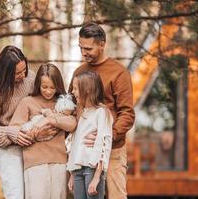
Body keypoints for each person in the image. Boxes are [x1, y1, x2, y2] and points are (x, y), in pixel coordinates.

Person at [69, 22, 135, 199]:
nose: (84, 53)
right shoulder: (79, 72)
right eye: (81, 48)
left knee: (116, 196)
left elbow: (127, 114)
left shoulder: (119, 73)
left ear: (102, 44)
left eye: (88, 48)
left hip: (113, 150)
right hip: (83, 152)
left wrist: (107, 136)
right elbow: (72, 107)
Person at [9, 63, 77, 199]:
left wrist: (49, 119)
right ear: (38, 85)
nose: (48, 91)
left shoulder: (63, 104)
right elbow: (15, 132)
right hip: (35, 164)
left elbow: (72, 124)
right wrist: (36, 134)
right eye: (44, 87)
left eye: (53, 87)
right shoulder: (27, 102)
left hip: (59, 162)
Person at [0, 45, 36, 199]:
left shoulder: (31, 78)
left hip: (35, 147)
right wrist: (11, 132)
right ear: (6, 73)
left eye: (24, 69)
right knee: (15, 195)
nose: (23, 75)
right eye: (17, 73)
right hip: (11, 152)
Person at [67, 71, 113, 199]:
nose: (73, 92)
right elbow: (76, 144)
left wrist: (97, 177)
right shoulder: (81, 113)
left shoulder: (101, 112)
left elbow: (104, 145)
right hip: (78, 170)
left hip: (92, 170)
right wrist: (72, 173)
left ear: (87, 90)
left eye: (76, 88)